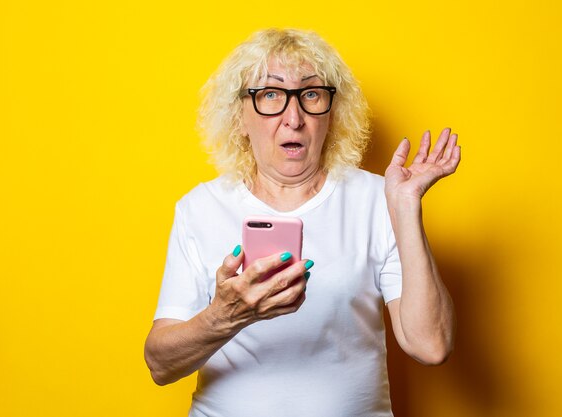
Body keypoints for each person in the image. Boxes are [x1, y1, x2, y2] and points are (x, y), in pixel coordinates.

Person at [144, 28, 460, 417]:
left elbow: (430, 346)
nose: (293, 118)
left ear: (332, 113)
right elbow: (160, 365)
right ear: (239, 116)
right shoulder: (199, 208)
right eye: (270, 95)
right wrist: (224, 316)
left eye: (311, 94)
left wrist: (405, 206)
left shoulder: (378, 200)